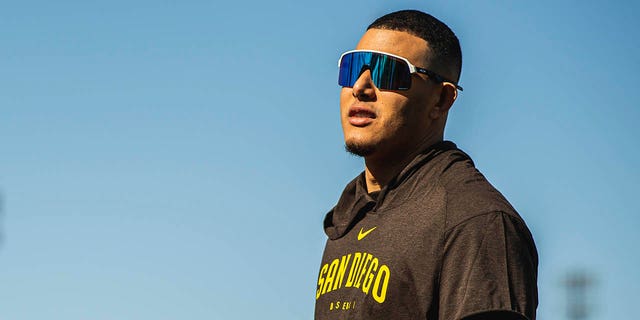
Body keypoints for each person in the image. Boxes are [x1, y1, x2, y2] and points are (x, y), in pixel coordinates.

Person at [315, 10, 538, 320]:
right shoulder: (349, 217)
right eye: (351, 69)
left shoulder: (476, 220)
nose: (361, 87)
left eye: (387, 72)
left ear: (441, 100)